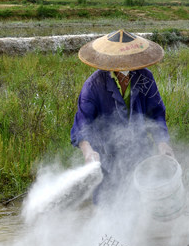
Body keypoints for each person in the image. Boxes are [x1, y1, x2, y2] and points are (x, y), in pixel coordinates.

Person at [70, 29, 174, 203]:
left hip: (139, 155)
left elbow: (156, 113)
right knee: (107, 207)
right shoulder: (94, 85)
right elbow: (83, 122)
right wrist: (88, 152)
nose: (124, 66)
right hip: (106, 158)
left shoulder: (143, 78)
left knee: (139, 205)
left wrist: (162, 143)